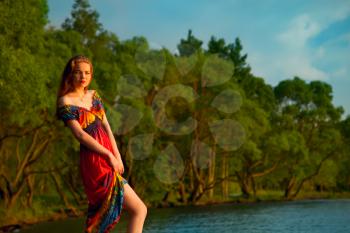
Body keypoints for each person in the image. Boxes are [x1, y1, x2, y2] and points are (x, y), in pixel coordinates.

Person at [56, 55, 147, 233]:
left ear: (91, 75)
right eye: (78, 72)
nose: (83, 76)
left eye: (87, 73)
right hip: (94, 162)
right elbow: (80, 135)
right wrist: (108, 155)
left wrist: (117, 155)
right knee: (114, 214)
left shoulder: (94, 95)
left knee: (138, 210)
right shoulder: (65, 101)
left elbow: (106, 126)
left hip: (109, 157)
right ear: (70, 75)